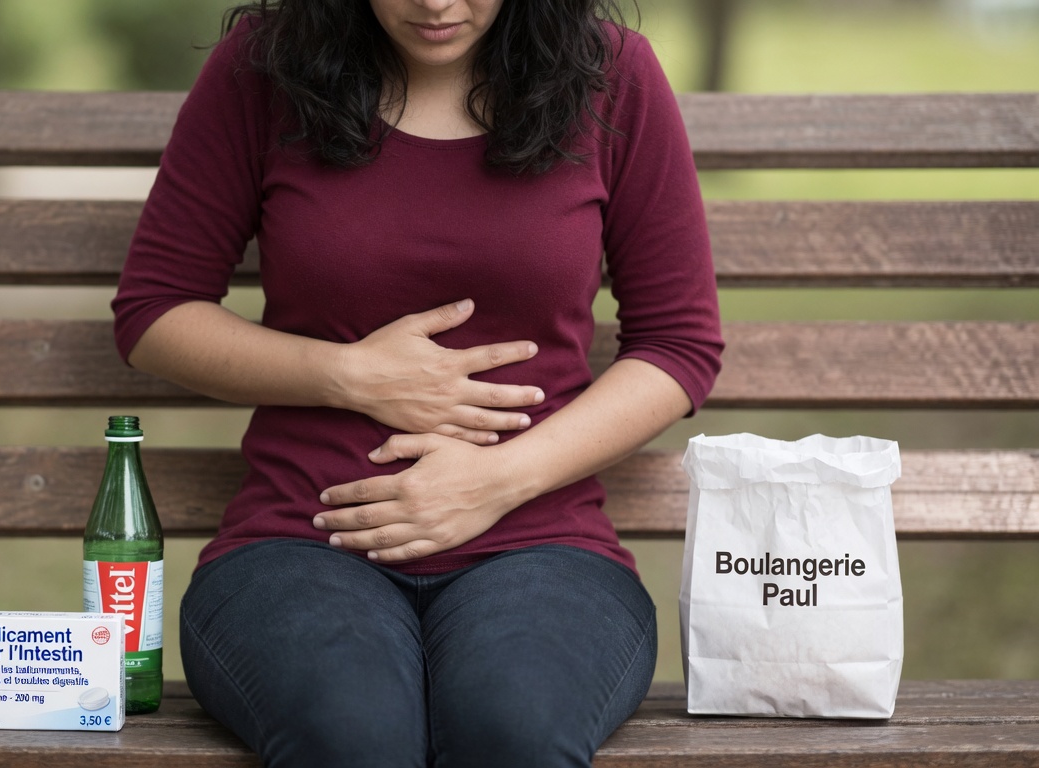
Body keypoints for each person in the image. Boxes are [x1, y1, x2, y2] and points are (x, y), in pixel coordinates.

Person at [112, 0, 724, 764]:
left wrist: (497, 480)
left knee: (514, 728)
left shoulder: (612, 74)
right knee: (352, 732)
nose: (436, 3)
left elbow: (678, 343)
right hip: (301, 542)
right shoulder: (265, 66)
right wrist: (347, 375)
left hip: (542, 549)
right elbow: (155, 312)